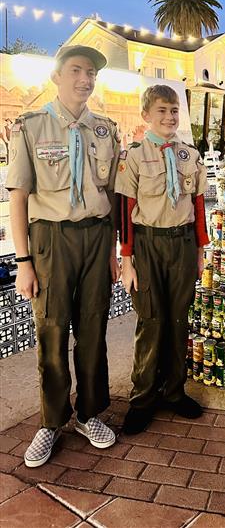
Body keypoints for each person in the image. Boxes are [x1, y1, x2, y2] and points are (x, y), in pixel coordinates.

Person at [7, 45, 120, 467]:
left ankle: (89, 414)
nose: (85, 79)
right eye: (76, 70)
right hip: (51, 239)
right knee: (52, 332)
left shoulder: (105, 129)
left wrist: (113, 251)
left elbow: (111, 195)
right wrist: (23, 262)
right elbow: (18, 197)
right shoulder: (31, 126)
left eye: (91, 72)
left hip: (96, 236)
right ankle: (51, 421)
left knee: (93, 329)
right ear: (57, 75)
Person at [116, 84, 209, 434]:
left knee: (178, 319)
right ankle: (142, 398)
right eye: (161, 111)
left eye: (174, 111)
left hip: (182, 243)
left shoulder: (190, 155)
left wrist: (199, 252)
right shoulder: (134, 156)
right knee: (151, 320)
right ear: (146, 115)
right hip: (148, 244)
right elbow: (125, 212)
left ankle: (174, 391)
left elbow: (198, 207)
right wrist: (127, 260)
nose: (169, 117)